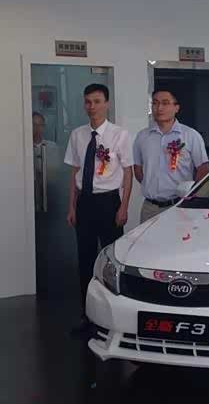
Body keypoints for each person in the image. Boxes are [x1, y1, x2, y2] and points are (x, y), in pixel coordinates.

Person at [64, 84, 133, 334]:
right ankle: (88, 316)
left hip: (108, 203)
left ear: (107, 103)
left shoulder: (119, 135)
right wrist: (72, 206)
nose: (91, 107)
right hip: (85, 202)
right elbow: (74, 172)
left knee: (111, 261)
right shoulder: (78, 135)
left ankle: (113, 318)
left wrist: (123, 206)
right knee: (85, 259)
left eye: (96, 101)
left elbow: (128, 173)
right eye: (88, 102)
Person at [133, 89, 209, 223]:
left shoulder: (190, 135)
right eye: (155, 103)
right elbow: (138, 170)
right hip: (150, 208)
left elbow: (203, 169)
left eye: (165, 103)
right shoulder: (142, 136)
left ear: (176, 108)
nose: (159, 108)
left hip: (180, 206)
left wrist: (192, 195)